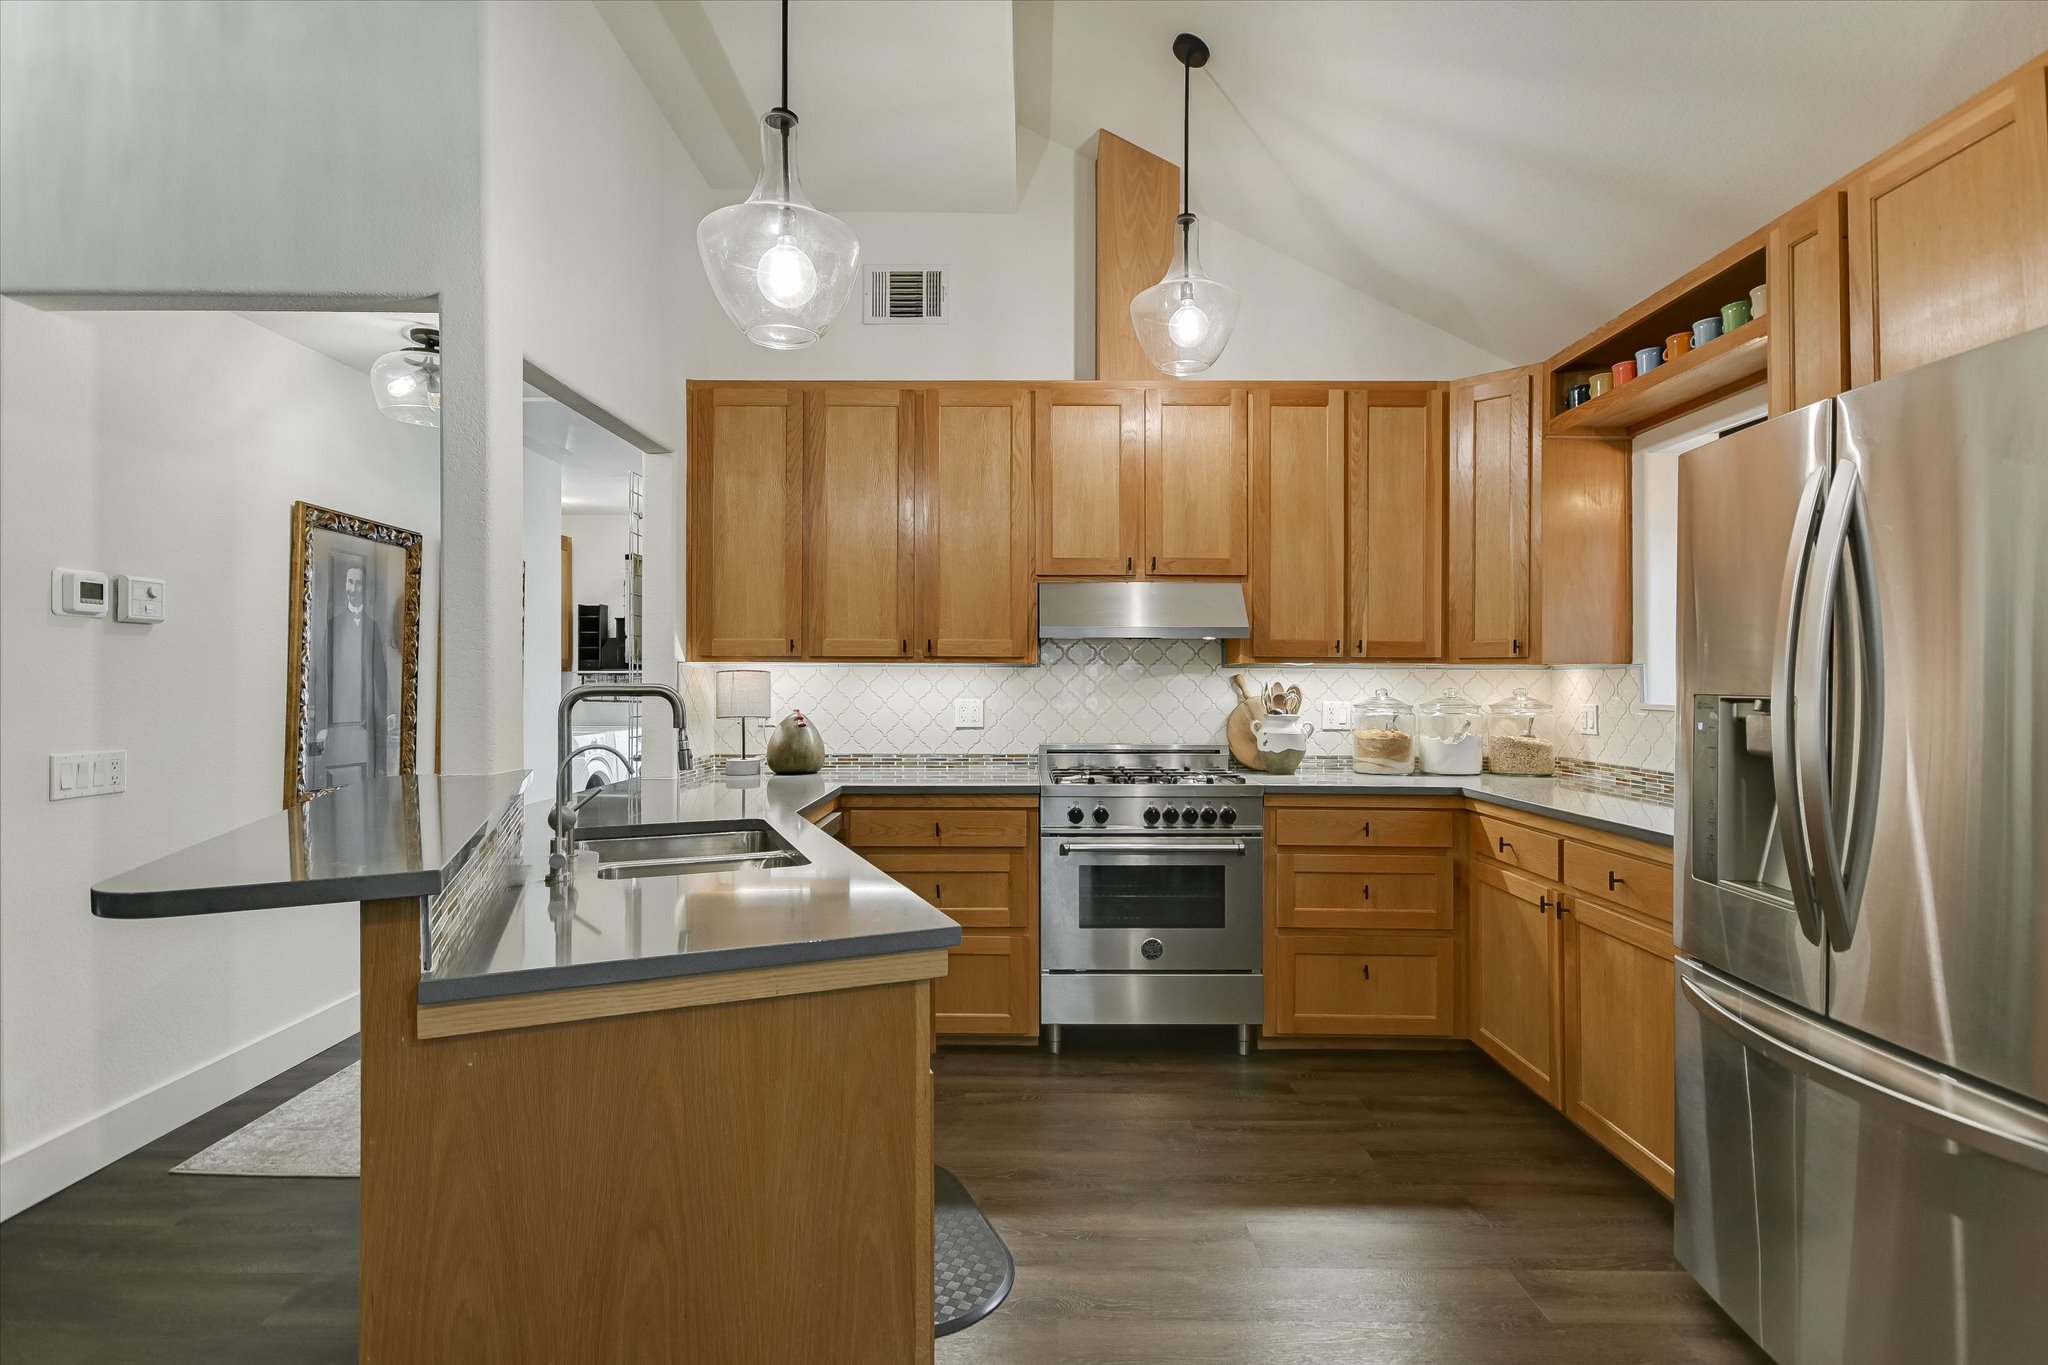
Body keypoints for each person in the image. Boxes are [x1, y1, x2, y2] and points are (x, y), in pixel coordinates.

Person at [308, 563, 395, 790]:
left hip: (364, 725)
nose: (353, 588)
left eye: (358, 583)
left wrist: (390, 711)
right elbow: (322, 676)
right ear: (345, 585)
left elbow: (380, 673)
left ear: (364, 587)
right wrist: (323, 724)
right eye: (350, 582)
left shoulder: (372, 627)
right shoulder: (333, 625)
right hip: (338, 725)